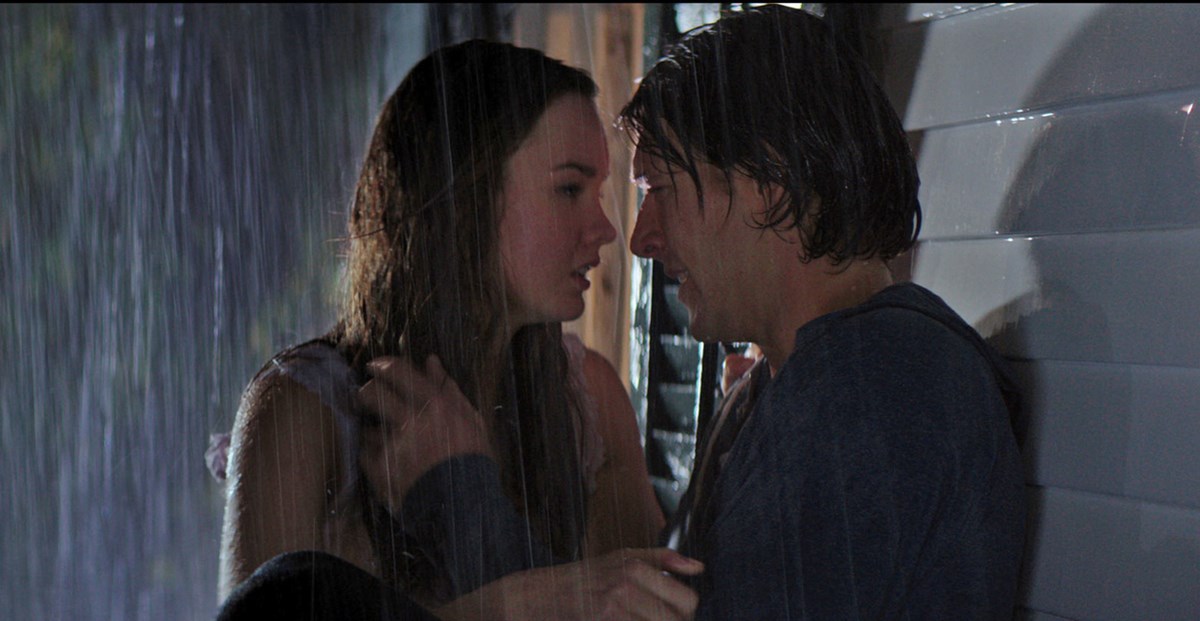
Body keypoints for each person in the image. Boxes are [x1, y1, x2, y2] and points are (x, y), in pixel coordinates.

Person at [212, 39, 699, 620]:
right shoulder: (301, 411)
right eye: (569, 189)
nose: (605, 228)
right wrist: (511, 603)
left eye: (596, 194)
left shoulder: (588, 403)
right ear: (464, 192)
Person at [618, 5, 1027, 619]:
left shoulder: (871, 386)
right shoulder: (829, 380)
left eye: (659, 189)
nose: (641, 239)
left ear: (768, 184)